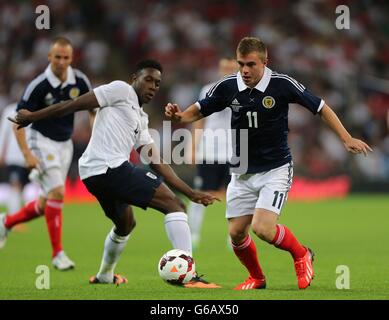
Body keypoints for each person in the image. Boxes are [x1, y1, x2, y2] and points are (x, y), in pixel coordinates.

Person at [165, 36, 372, 290]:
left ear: (265, 61)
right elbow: (198, 110)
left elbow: (321, 107)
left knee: (262, 228)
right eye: (241, 64)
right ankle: (257, 278)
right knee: (236, 235)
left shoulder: (282, 84)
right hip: (241, 170)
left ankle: (301, 254)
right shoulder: (229, 86)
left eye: (250, 64)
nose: (244, 70)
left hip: (275, 169)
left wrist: (346, 137)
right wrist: (179, 116)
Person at [10, 59, 221, 287]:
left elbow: (156, 161)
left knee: (125, 225)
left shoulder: (141, 119)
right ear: (134, 79)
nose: (152, 86)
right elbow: (74, 104)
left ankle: (104, 275)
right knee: (175, 206)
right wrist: (33, 116)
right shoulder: (120, 90)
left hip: (94, 174)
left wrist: (190, 192)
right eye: (148, 79)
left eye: (157, 83)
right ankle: (188, 277)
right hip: (109, 167)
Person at [0, 37, 93, 270]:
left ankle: (6, 222)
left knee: (45, 203)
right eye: (57, 57)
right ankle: (58, 254)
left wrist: (96, 134)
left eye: (66, 57)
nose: (62, 62)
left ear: (72, 58)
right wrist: (27, 154)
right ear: (49, 57)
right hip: (40, 141)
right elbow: (17, 122)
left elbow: (94, 109)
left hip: (65, 144)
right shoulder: (38, 85)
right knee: (58, 193)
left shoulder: (80, 80)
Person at [187, 57, 238, 251]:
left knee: (236, 195)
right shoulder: (207, 90)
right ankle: (193, 234)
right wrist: (193, 146)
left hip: (234, 152)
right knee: (200, 194)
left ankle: (234, 236)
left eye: (231, 68)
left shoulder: (244, 92)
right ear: (219, 68)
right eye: (224, 67)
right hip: (209, 151)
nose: (227, 71)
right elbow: (199, 120)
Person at [0, 103, 30, 217]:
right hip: (13, 155)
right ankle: (13, 217)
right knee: (15, 184)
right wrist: (1, 152)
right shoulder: (10, 109)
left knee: (21, 186)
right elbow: (4, 131)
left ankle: (16, 215)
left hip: (27, 155)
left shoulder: (33, 108)